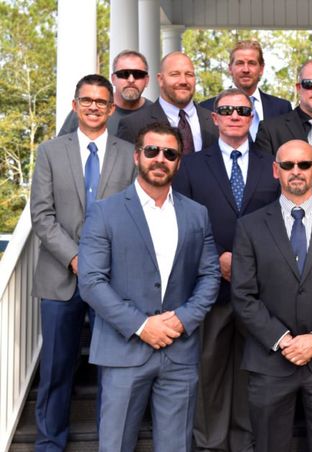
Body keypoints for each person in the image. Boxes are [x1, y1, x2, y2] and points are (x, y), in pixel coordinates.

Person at [77, 122, 220, 451]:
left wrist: (182, 319)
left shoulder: (197, 214)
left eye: (169, 153)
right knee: (115, 445)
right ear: (136, 156)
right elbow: (91, 281)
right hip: (123, 349)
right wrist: (141, 325)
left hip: (179, 350)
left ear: (178, 162)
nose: (160, 159)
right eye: (152, 151)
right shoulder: (104, 212)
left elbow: (209, 276)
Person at [230, 140, 312, 452]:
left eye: (304, 164)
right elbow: (243, 294)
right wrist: (283, 339)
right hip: (271, 358)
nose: (296, 171)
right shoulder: (249, 226)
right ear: (276, 171)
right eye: (288, 165)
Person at [29, 74, 137, 452]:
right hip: (61, 277)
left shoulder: (130, 154)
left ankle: (112, 441)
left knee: (115, 369)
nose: (93, 106)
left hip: (114, 279)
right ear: (75, 106)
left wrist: (101, 261)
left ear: (111, 109)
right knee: (57, 368)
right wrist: (75, 257)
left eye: (101, 101)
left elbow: (135, 214)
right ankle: (49, 442)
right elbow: (42, 215)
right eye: (86, 100)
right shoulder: (50, 152)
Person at [173, 88, 280, 452]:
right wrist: (217, 255)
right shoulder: (190, 165)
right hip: (210, 285)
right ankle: (210, 444)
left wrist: (248, 261)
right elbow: (182, 222)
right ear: (214, 118)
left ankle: (246, 443)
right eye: (226, 110)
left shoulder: (274, 165)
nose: (235, 115)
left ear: (252, 118)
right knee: (211, 370)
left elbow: (282, 222)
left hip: (262, 291)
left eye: (242, 110)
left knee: (254, 371)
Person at [117, 51, 218, 154]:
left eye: (189, 74)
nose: (183, 81)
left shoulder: (216, 122)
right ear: (160, 79)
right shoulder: (133, 125)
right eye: (175, 74)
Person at [199, 39, 292, 141]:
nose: (246, 70)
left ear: (261, 69)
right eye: (240, 63)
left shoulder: (282, 108)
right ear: (230, 68)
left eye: (251, 63)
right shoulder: (206, 109)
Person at [58, 50, 153, 136]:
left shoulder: (157, 115)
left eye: (138, 74)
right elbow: (60, 147)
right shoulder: (88, 109)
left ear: (147, 80)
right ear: (113, 79)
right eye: (124, 74)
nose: (131, 80)